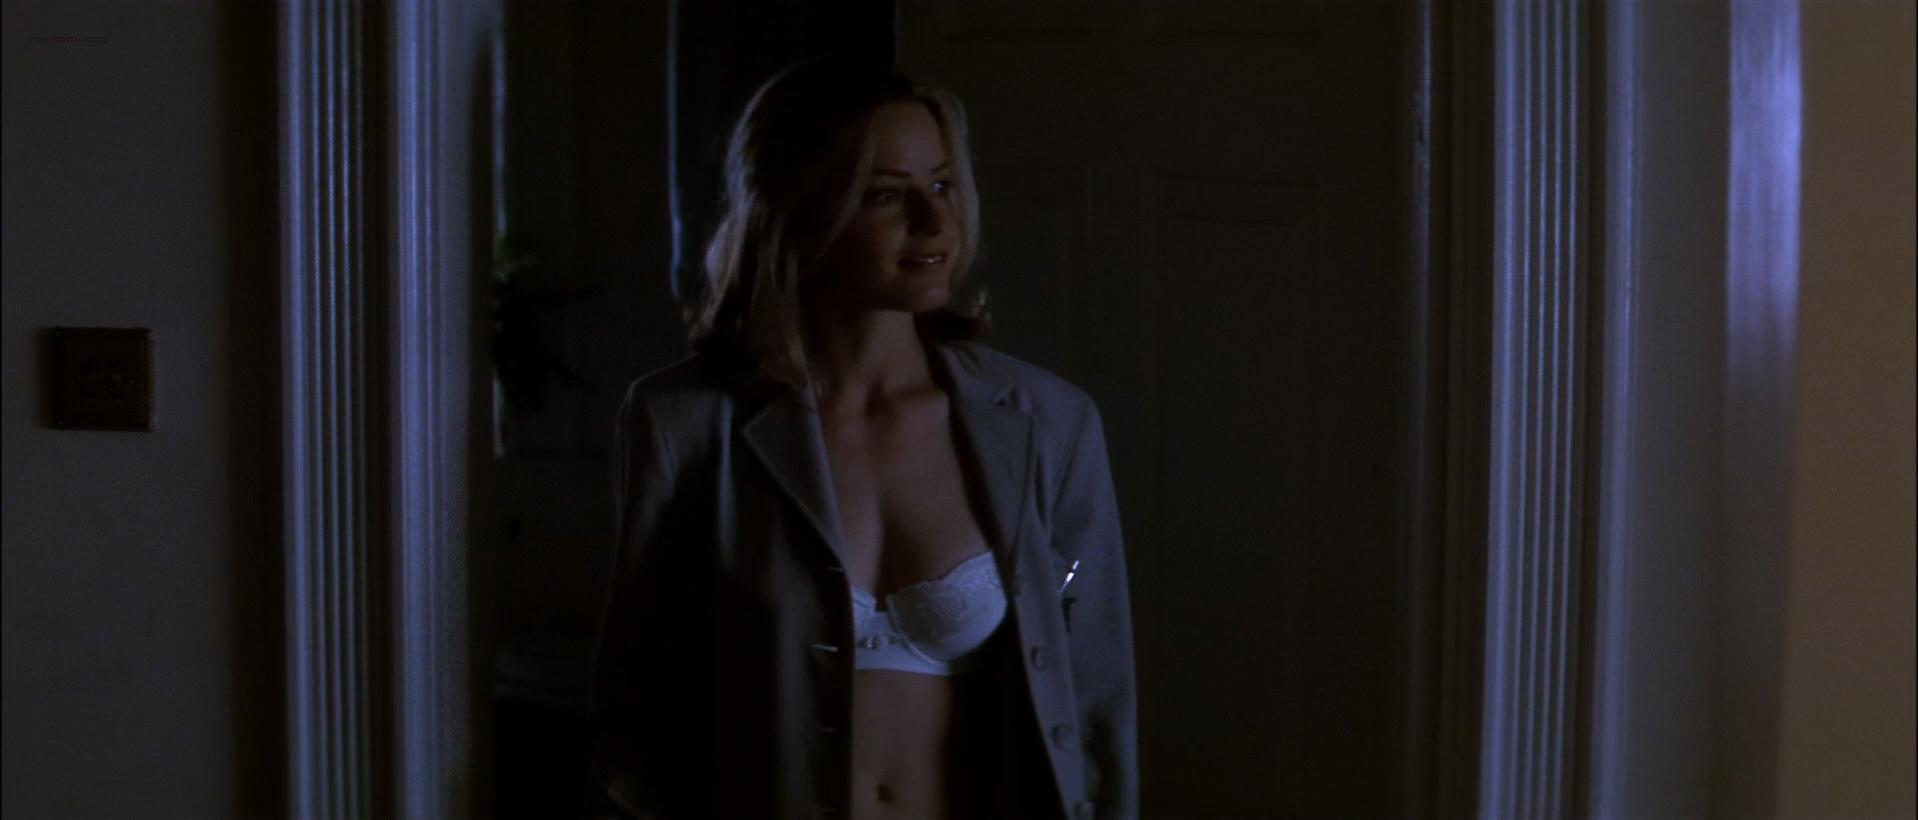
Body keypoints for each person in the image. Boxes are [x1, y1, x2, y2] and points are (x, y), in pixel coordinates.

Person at [587, 55, 1136, 820]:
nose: (933, 223)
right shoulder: (684, 422)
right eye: (885, 195)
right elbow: (637, 711)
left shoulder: (1048, 424)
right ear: (799, 210)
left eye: (941, 185)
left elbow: (1098, 704)